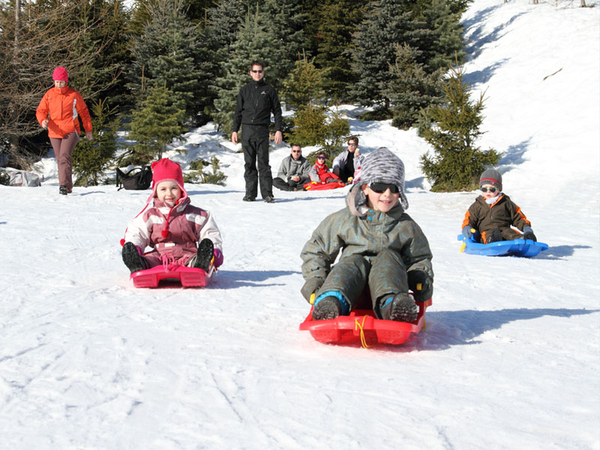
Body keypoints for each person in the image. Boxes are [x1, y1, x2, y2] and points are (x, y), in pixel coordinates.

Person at [300, 147, 434, 322]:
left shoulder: (405, 225)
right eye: (379, 186)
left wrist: (419, 276)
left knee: (388, 257)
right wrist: (316, 278)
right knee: (352, 261)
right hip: (348, 289)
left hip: (391, 289)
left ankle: (394, 308)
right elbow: (317, 249)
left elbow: (419, 257)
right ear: (365, 188)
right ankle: (330, 303)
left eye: (394, 187)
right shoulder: (345, 219)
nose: (387, 194)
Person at [121, 158, 224, 274]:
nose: (169, 193)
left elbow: (209, 232)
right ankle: (138, 264)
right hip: (160, 256)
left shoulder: (195, 214)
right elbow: (137, 232)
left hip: (188, 255)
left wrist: (215, 251)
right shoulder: (151, 215)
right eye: (163, 189)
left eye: (174, 188)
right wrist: (135, 247)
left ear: (181, 190)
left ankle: (201, 263)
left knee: (194, 261)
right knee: (149, 260)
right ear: (155, 192)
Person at [231, 60, 283, 204]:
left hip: (262, 130)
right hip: (247, 130)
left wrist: (278, 130)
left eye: (260, 71)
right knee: (249, 163)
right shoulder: (244, 90)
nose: (257, 74)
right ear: (250, 73)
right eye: (255, 71)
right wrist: (235, 130)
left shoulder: (269, 90)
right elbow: (238, 112)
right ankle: (250, 193)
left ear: (263, 73)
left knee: (263, 163)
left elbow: (277, 111)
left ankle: (267, 194)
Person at [36, 66, 93, 195]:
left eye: (61, 82)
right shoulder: (49, 94)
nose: (59, 85)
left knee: (64, 156)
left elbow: (84, 112)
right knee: (60, 159)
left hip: (71, 130)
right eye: (56, 82)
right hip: (54, 131)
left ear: (66, 81)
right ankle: (68, 185)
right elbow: (41, 110)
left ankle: (63, 186)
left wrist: (88, 129)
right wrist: (43, 120)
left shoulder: (73, 95)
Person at [462, 168, 537, 244]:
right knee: (488, 235)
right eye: (484, 189)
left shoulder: (505, 202)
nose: (488, 191)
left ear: (499, 189)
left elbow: (517, 216)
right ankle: (493, 240)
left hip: (504, 229)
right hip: (486, 231)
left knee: (511, 234)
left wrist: (526, 228)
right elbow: (469, 218)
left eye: (492, 189)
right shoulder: (477, 205)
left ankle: (525, 241)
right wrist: (467, 227)